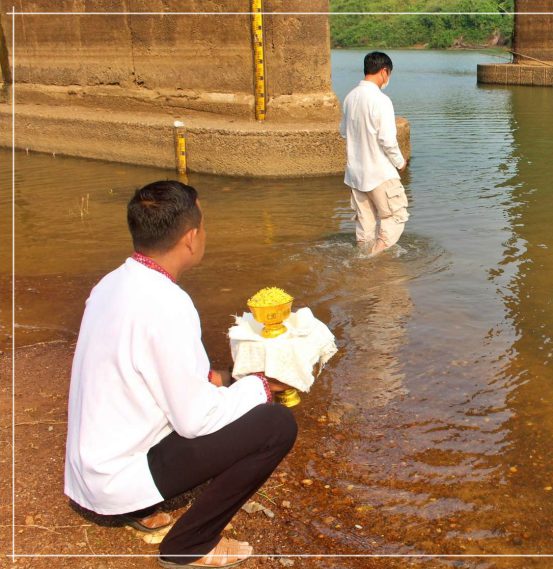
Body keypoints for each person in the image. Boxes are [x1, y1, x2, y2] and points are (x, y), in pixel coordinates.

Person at [65, 180, 296, 568]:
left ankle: (139, 508)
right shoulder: (169, 304)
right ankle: (190, 545)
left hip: (92, 465)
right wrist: (261, 386)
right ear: (190, 238)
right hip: (115, 477)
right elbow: (195, 421)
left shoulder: (112, 282)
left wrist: (228, 379)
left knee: (229, 386)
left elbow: (151, 372)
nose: (204, 233)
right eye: (203, 225)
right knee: (276, 425)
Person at [341, 51, 409, 256]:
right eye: (389, 75)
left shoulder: (350, 97)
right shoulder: (381, 100)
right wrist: (400, 162)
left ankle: (363, 268)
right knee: (395, 217)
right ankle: (373, 260)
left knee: (365, 226)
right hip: (380, 172)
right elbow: (387, 140)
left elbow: (343, 132)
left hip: (356, 174)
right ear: (384, 72)